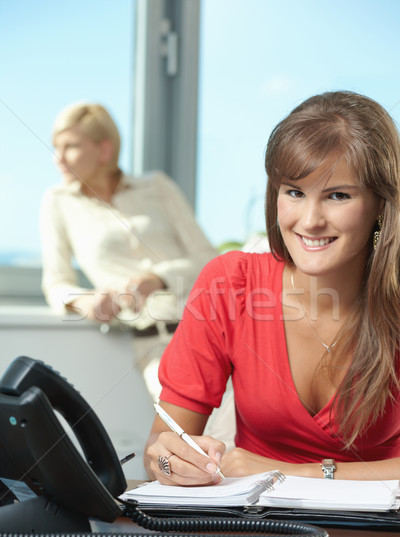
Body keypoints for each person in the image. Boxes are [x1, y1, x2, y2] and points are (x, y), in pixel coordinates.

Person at [145, 90, 400, 485]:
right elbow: (161, 445)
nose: (310, 220)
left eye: (338, 196)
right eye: (295, 192)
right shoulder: (230, 283)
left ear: (381, 205)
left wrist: (298, 474)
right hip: (264, 530)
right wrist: (169, 462)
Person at [40, 101, 218, 401]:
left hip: (216, 331)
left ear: (104, 150)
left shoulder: (157, 186)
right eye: (56, 147)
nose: (58, 159)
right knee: (200, 437)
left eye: (70, 146)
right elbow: (56, 283)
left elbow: (209, 261)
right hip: (157, 345)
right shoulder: (57, 202)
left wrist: (157, 278)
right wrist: (84, 301)